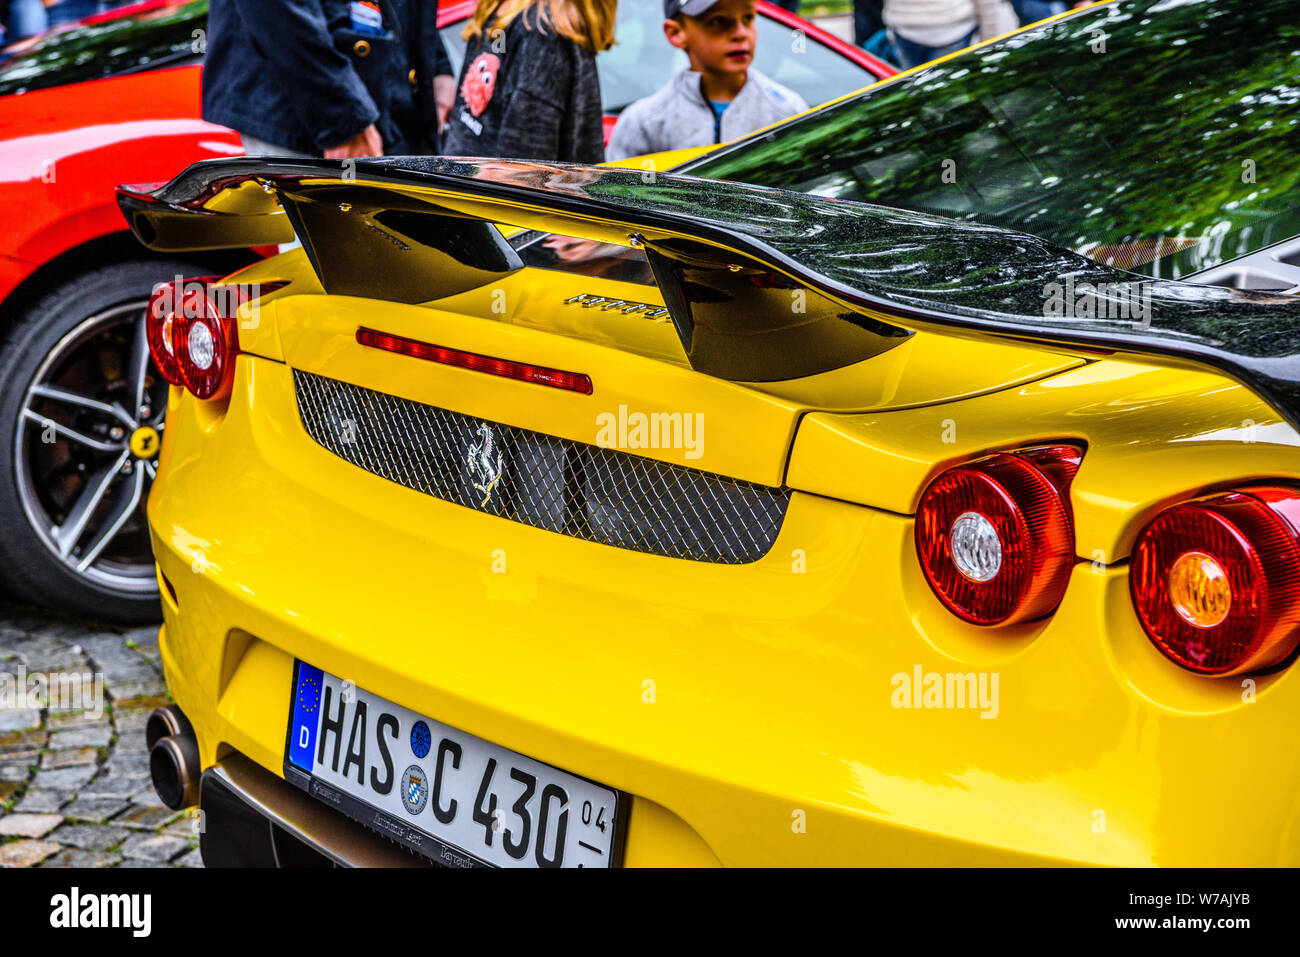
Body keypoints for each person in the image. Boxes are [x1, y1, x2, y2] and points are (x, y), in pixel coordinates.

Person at [203, 0, 454, 159]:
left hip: (386, 99)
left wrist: (436, 65)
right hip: (310, 119)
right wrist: (342, 120)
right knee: (340, 242)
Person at [605, 0, 806, 162]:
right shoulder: (644, 122)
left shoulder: (788, 112)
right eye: (718, 21)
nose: (740, 34)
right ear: (676, 33)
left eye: (747, 18)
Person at [441, 0, 615, 164]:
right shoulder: (500, 9)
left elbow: (520, 173)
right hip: (461, 188)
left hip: (489, 194)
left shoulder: (543, 35)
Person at [883, 0, 1017, 69]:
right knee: (943, 96)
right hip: (907, 33)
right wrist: (989, 39)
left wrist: (989, 40)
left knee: (939, 96)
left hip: (948, 34)